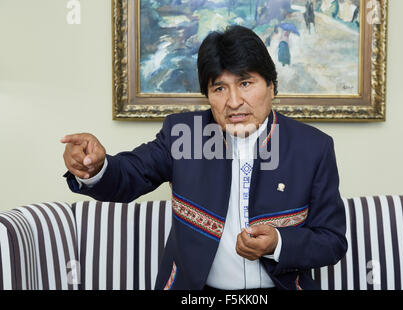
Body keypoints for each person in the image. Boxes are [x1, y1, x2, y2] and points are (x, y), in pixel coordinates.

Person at [61, 25, 347, 290]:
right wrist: (96, 167)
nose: (233, 102)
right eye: (219, 88)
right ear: (207, 95)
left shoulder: (313, 148)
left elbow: (331, 242)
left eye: (246, 83)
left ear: (272, 86)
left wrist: (279, 243)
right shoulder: (183, 134)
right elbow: (129, 174)